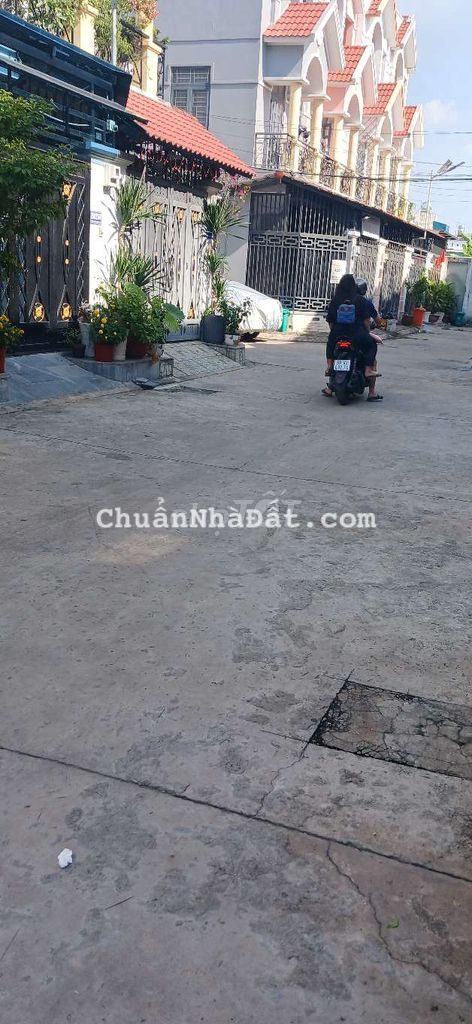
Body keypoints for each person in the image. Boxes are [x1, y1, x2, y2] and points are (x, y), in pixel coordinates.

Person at [323, 274, 383, 402]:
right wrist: (366, 332)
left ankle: (329, 369)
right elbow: (367, 321)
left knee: (331, 347)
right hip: (356, 334)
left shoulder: (335, 300)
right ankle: (370, 381)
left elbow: (330, 321)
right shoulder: (361, 301)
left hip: (337, 334)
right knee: (372, 345)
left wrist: (335, 332)